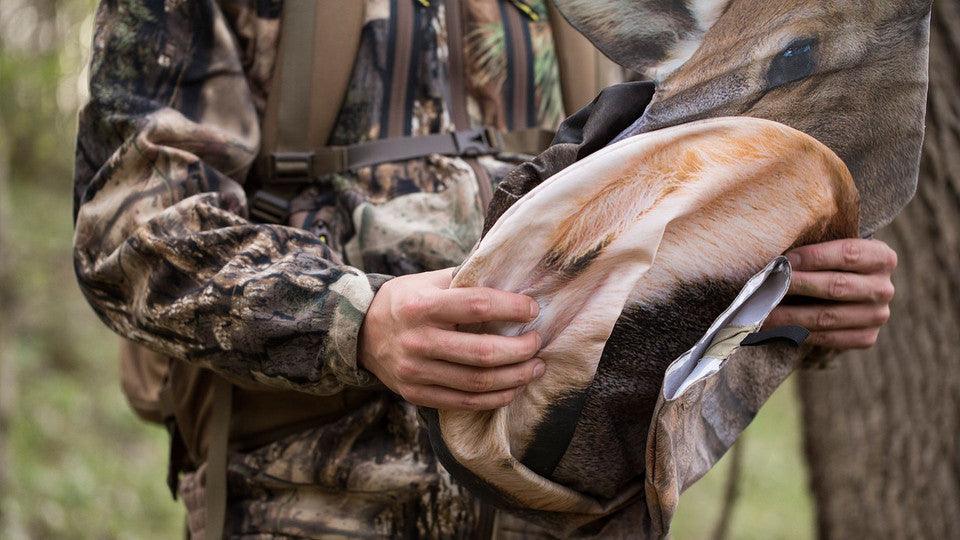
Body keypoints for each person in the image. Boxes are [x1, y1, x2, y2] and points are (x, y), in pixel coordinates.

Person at [72, 0, 897, 537]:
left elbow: (685, 235)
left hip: (567, 514)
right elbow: (130, 228)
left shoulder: (628, 15)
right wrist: (357, 322)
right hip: (312, 505)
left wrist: (790, 304)